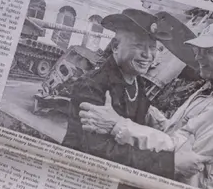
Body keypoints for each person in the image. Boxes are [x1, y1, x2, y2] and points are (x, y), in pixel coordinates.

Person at [79, 21, 213, 189]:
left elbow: (180, 151)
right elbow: (178, 130)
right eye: (198, 50)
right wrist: (144, 108)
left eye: (207, 51)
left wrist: (118, 125)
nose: (198, 56)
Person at [60, 9, 174, 177]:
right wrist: (165, 163)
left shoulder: (137, 81)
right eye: (139, 46)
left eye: (152, 48)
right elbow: (100, 151)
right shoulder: (92, 85)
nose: (148, 55)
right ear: (115, 47)